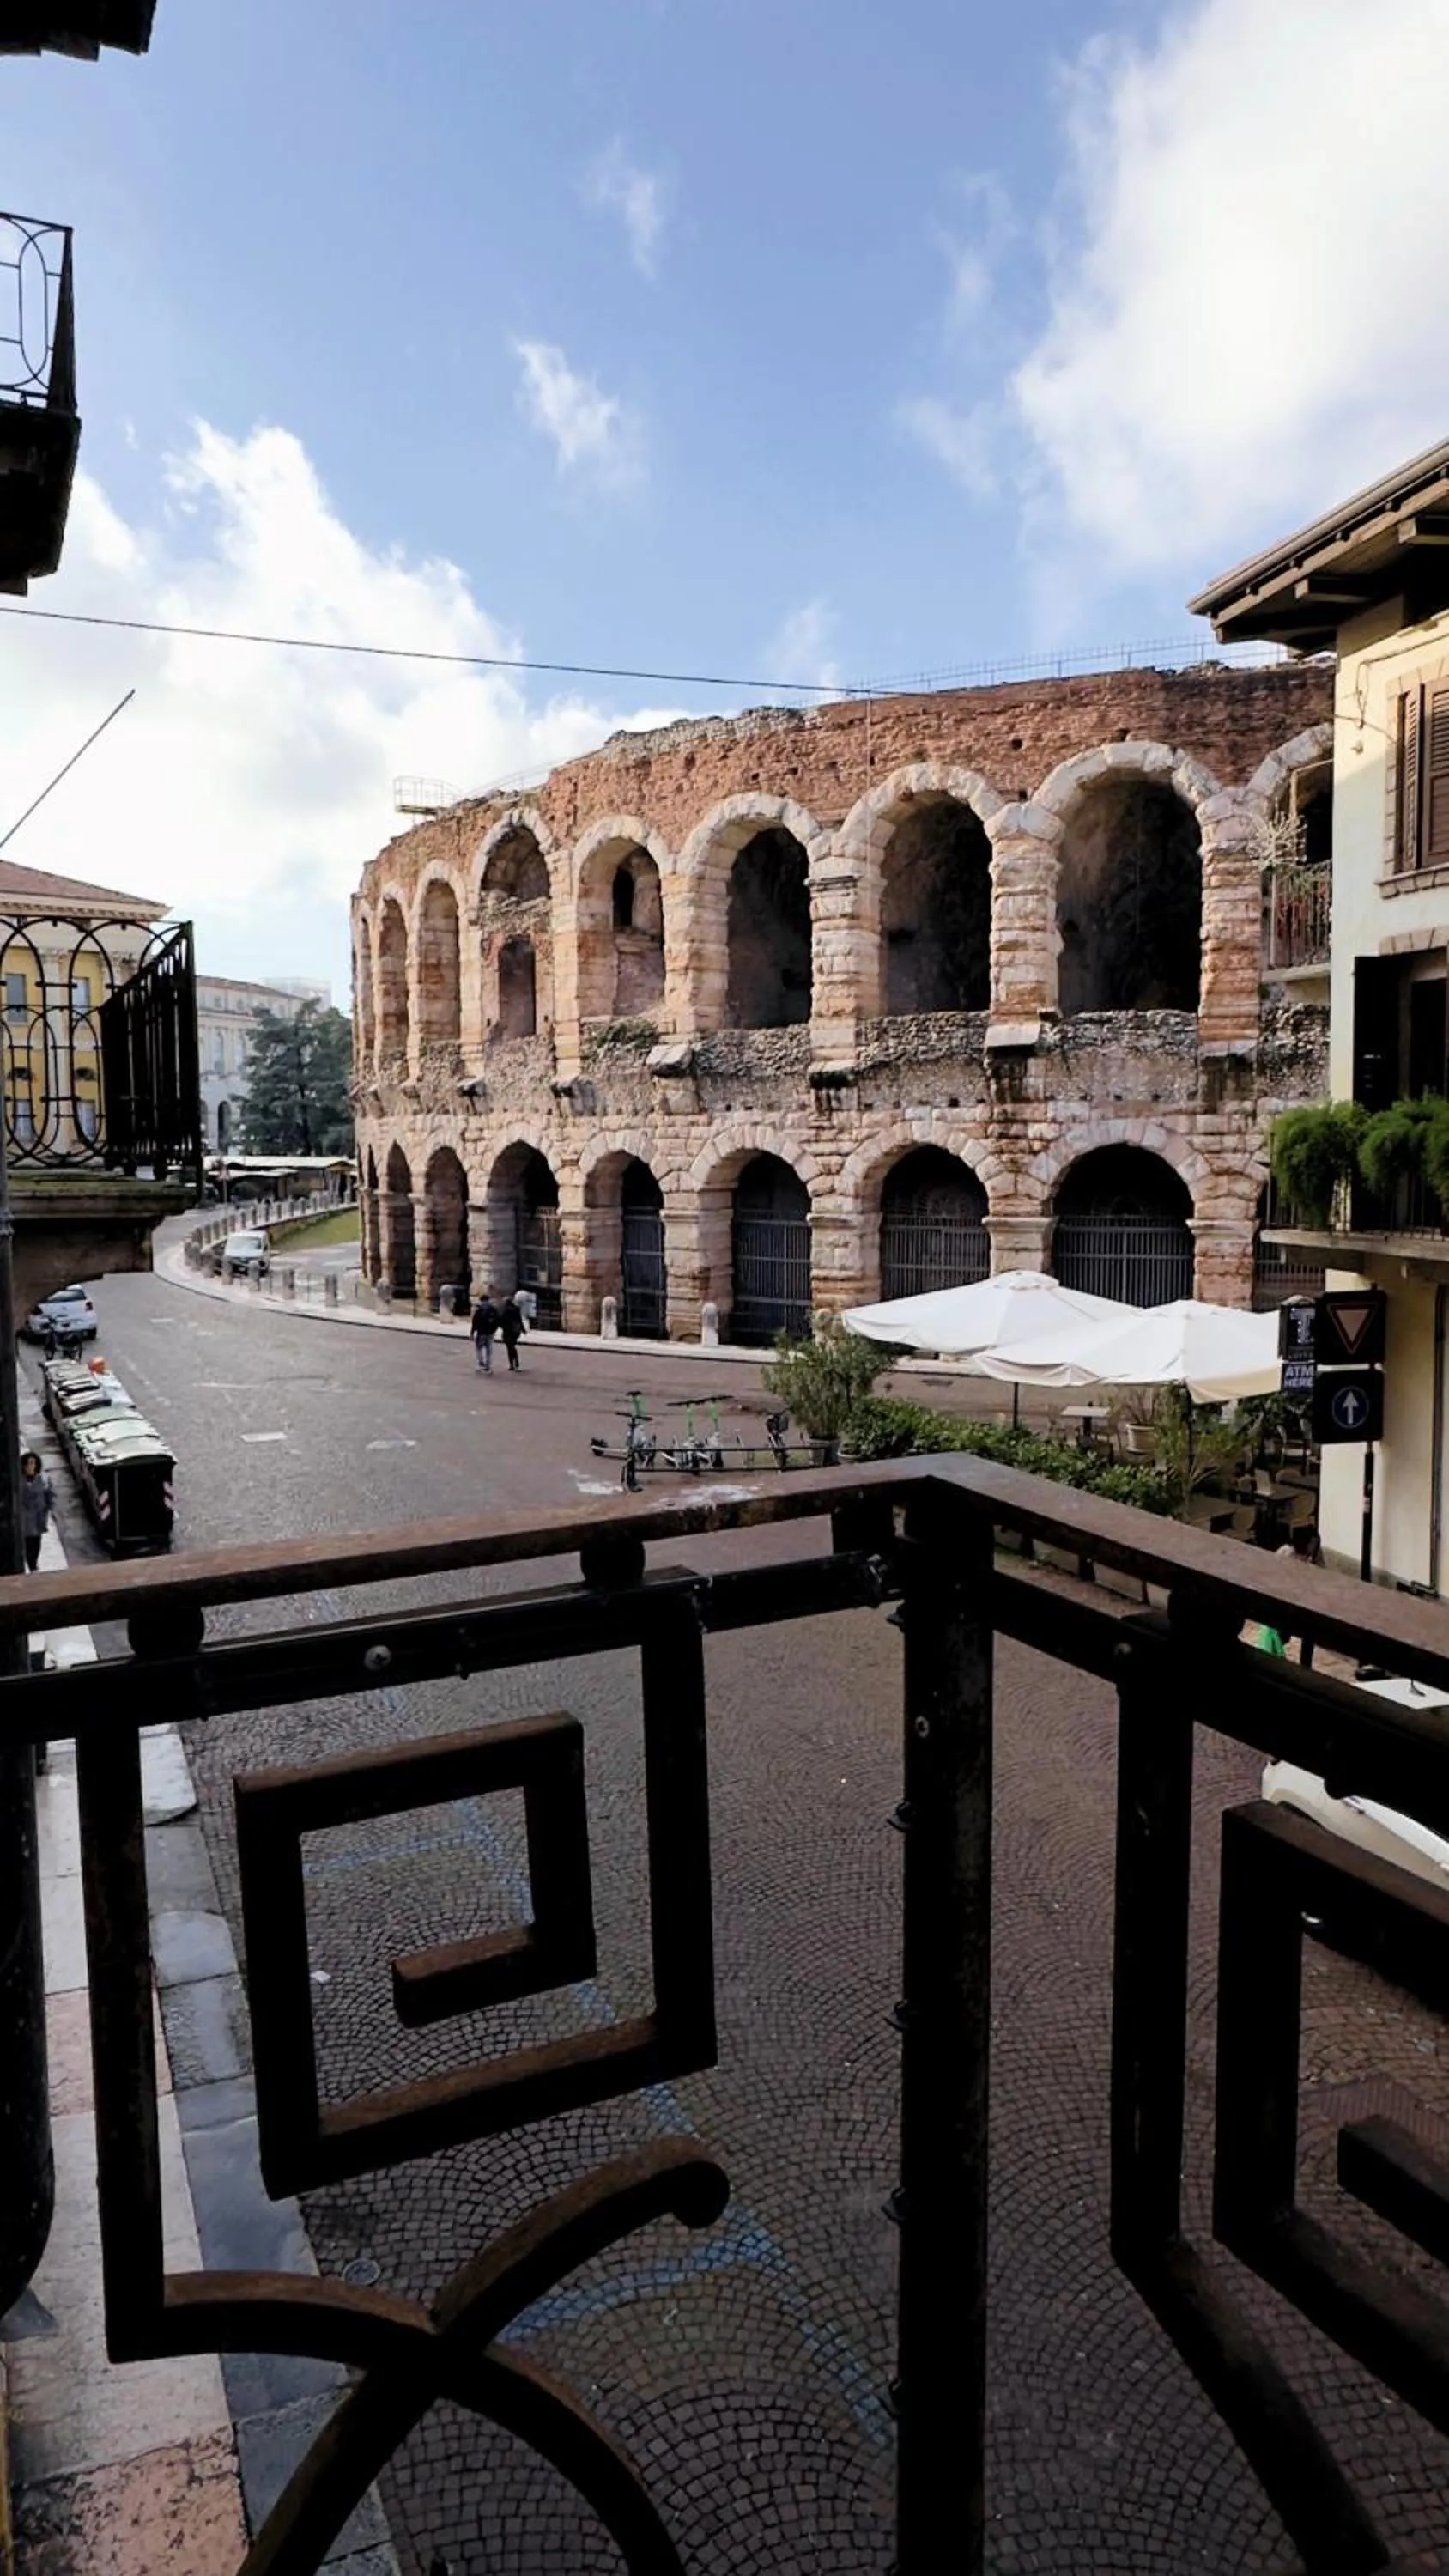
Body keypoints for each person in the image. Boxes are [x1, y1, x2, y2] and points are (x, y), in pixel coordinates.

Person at [1276, 1519, 1324, 1668]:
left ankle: (1306, 1665)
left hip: (1305, 1604)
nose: (1314, 1547)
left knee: (1309, 1634)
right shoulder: (1287, 1554)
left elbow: (1322, 1574)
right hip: (1287, 1602)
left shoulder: (1314, 1557)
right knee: (1283, 1635)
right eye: (1312, 1543)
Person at [20, 1450, 54, 1574]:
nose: (30, 1466)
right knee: (26, 1546)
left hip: (37, 1519)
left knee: (35, 1545)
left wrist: (46, 1509)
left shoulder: (43, 1480)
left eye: (32, 1463)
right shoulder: (19, 1481)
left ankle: (33, 1566)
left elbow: (50, 1496)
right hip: (24, 1521)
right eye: (28, 1464)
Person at [470, 1292, 500, 1374]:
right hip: (490, 1333)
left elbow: (474, 1322)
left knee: (479, 1348)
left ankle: (481, 1363)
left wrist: (472, 1332)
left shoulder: (479, 1309)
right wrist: (494, 1330)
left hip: (481, 1332)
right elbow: (497, 1321)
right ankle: (488, 1366)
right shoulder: (493, 1309)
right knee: (489, 1350)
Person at [499, 1292, 527, 1371]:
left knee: (509, 1348)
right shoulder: (516, 1309)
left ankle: (512, 1364)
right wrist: (523, 1329)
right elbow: (519, 1320)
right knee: (512, 1347)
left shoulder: (505, 1311)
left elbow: (501, 1321)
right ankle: (516, 1363)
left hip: (508, 1331)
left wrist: (502, 1327)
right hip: (515, 1331)